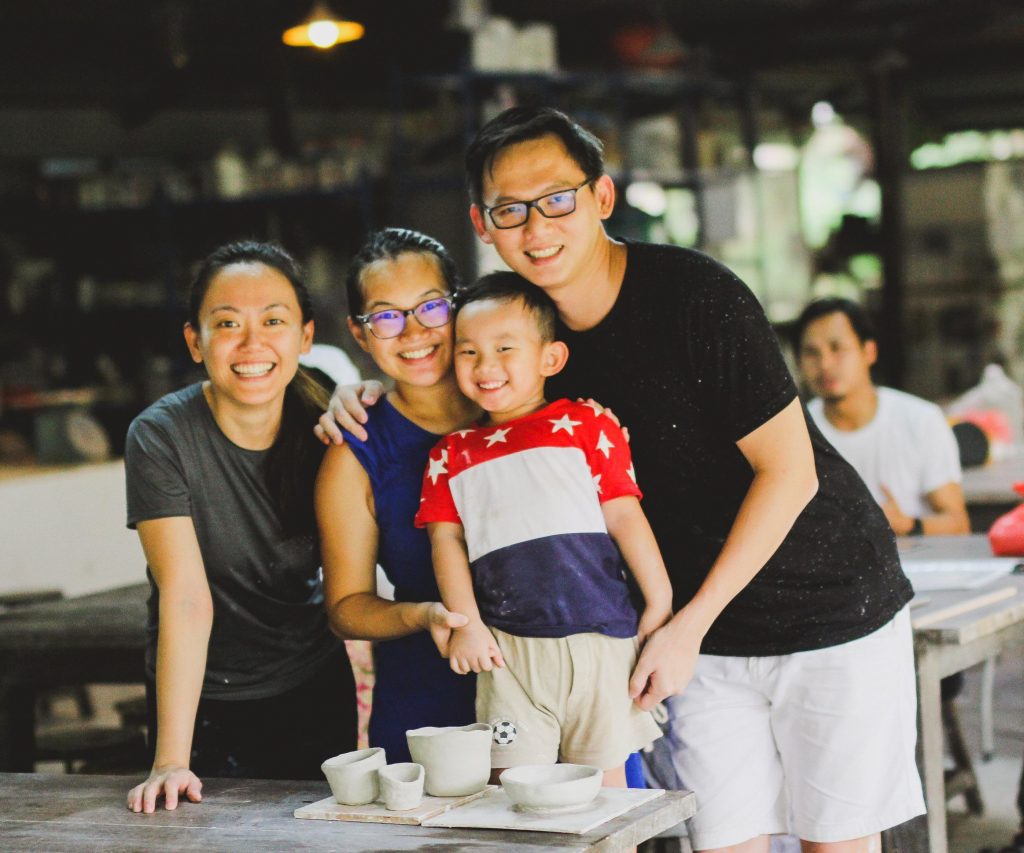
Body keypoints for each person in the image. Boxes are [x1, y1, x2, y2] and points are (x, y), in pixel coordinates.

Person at [319, 106, 925, 850]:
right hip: (682, 644)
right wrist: (346, 391)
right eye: (511, 209)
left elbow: (791, 472)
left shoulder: (697, 295)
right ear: (483, 224)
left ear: (602, 198)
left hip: (824, 605)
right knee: (725, 842)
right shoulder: (519, 334)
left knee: (836, 842)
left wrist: (688, 620)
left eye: (557, 200)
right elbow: (429, 367)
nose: (536, 228)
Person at [125, 241, 357, 814]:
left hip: (313, 686)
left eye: (273, 321)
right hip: (201, 700)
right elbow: (184, 597)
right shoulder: (161, 436)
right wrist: (171, 761)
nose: (252, 344)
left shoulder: (330, 420)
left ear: (305, 337)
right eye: (227, 323)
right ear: (194, 341)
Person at [414, 272, 670, 786]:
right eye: (468, 352)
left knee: (609, 797)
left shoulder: (586, 427)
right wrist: (467, 625)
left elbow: (624, 515)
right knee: (514, 792)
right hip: (509, 655)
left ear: (550, 359)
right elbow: (446, 542)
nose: (486, 366)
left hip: (603, 641)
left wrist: (660, 600)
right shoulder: (450, 455)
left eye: (505, 348)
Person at [314, 228, 480, 764]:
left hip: (558, 681)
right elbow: (345, 608)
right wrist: (426, 615)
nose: (412, 331)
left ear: (460, 306)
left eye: (430, 307)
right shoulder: (355, 450)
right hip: (431, 701)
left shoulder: (527, 405)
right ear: (360, 336)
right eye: (386, 316)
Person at [795, 296, 969, 537]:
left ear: (869, 351)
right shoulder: (796, 432)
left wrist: (906, 525)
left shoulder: (921, 420)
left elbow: (958, 524)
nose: (825, 364)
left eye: (837, 348)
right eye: (812, 353)